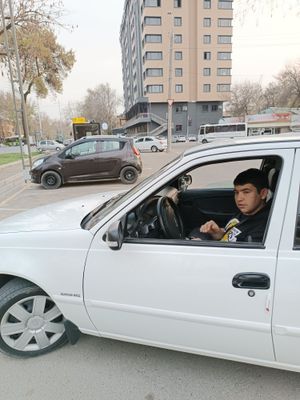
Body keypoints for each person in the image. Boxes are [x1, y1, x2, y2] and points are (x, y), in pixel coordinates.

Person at [191, 168, 270, 243]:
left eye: (246, 192)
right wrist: (218, 233)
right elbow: (231, 236)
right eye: (236, 192)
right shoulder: (245, 212)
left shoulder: (262, 229)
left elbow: (237, 255)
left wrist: (203, 246)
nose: (239, 198)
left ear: (263, 193)